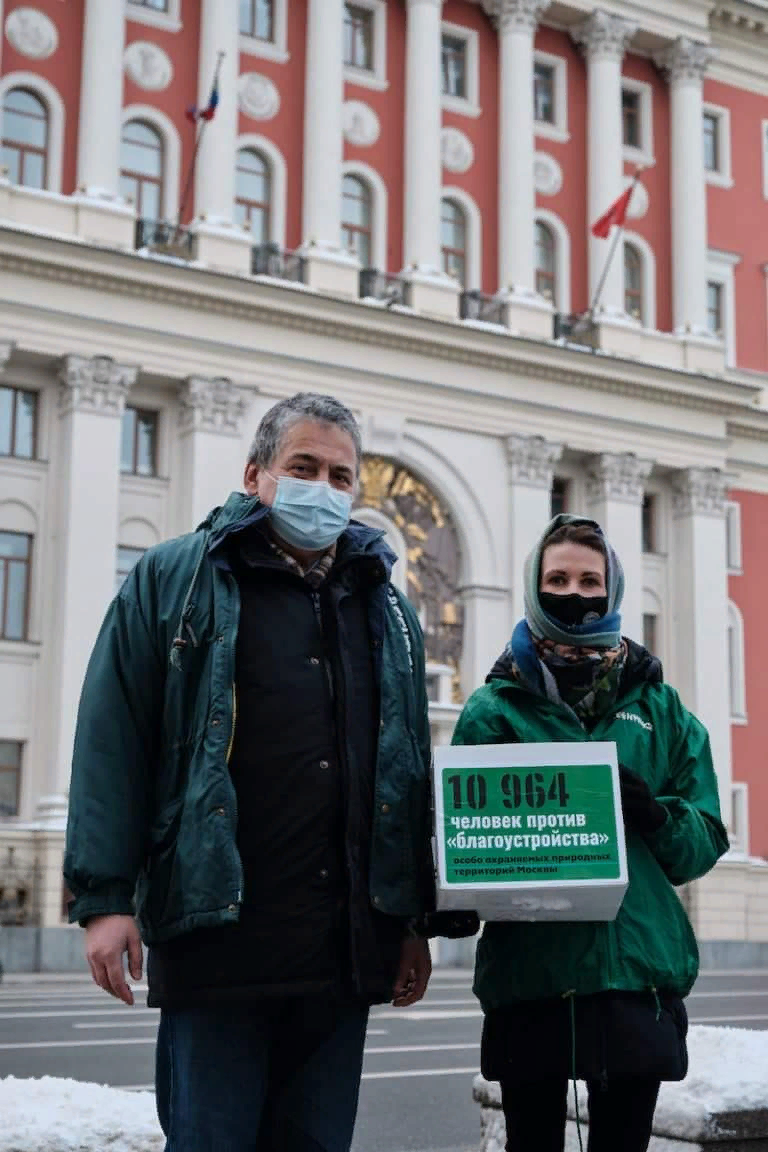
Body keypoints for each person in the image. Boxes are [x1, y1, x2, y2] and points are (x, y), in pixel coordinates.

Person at [64, 392, 476, 1152]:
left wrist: (413, 921)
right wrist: (104, 896)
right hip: (218, 943)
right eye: (304, 466)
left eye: (341, 476)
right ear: (256, 474)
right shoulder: (175, 578)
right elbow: (113, 736)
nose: (323, 487)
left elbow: (405, 772)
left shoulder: (385, 607)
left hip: (341, 953)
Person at [451, 514, 728, 1152]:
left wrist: (656, 815)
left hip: (635, 975)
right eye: (557, 579)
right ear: (532, 587)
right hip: (531, 977)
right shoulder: (495, 710)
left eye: (589, 580)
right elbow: (462, 836)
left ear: (613, 591)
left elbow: (704, 838)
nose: (574, 593)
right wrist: (452, 892)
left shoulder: (663, 710)